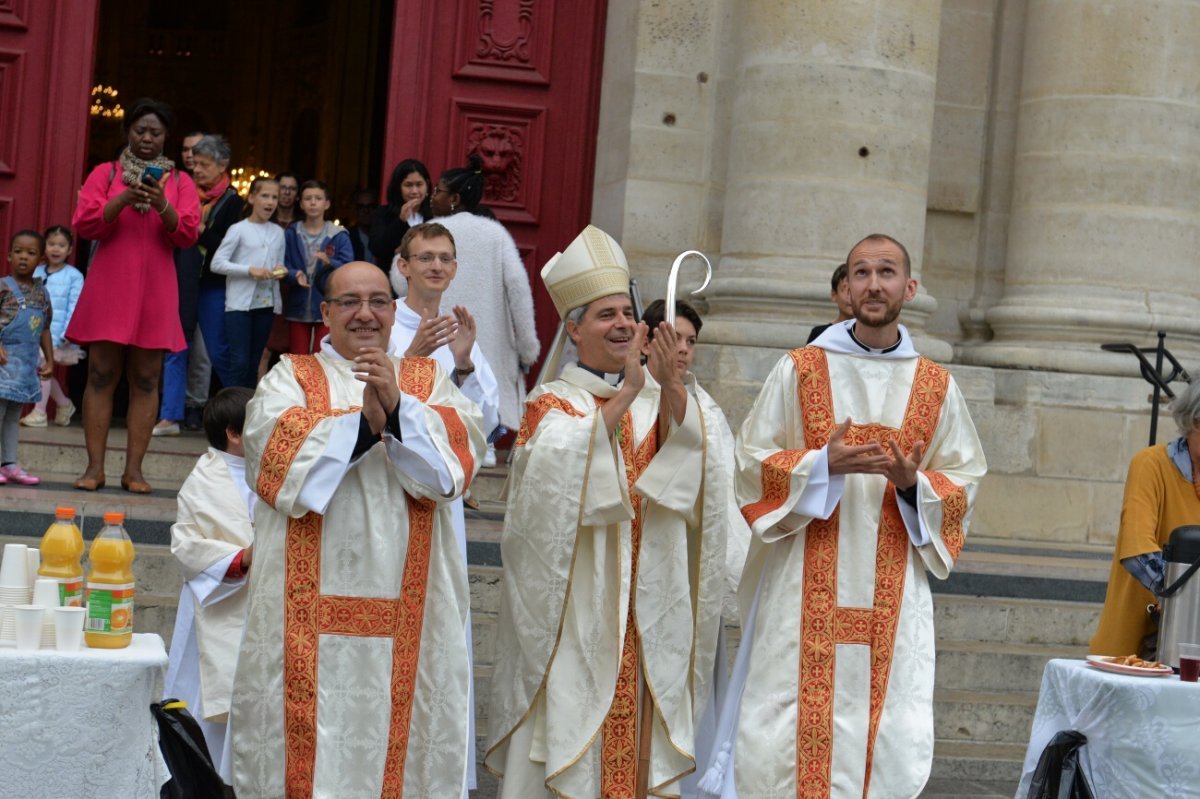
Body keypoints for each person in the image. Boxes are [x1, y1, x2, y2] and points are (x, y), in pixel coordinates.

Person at [703, 233, 986, 799]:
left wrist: (913, 484)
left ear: (910, 287)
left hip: (893, 587)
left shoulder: (936, 385)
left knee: (885, 737)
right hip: (803, 580)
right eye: (861, 273)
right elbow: (750, 462)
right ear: (845, 287)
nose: (873, 284)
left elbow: (965, 478)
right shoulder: (800, 370)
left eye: (886, 273)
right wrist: (818, 465)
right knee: (789, 735)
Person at [485, 226, 727, 798]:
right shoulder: (552, 403)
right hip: (578, 614)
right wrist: (625, 395)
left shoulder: (663, 393)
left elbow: (703, 478)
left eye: (627, 312)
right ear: (573, 330)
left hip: (648, 608)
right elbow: (544, 495)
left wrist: (668, 390)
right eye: (604, 315)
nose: (621, 324)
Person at [230, 261, 485, 798]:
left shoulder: (428, 380)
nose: (365, 314)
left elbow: (452, 470)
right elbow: (275, 463)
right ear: (325, 313)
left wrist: (396, 412)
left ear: (396, 313)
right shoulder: (290, 376)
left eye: (378, 301)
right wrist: (365, 429)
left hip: (411, 608)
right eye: (349, 302)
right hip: (298, 615)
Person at [389, 221, 501, 791]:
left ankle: (434, 772)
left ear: (456, 269)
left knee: (441, 627)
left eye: (445, 259)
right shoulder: (380, 323)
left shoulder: (462, 335)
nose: (436, 266)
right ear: (403, 265)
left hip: (443, 509)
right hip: (384, 501)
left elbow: (484, 421)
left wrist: (459, 364)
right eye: (425, 257)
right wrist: (410, 355)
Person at [638, 298, 752, 799]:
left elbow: (726, 484)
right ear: (647, 340)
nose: (682, 350)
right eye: (673, 338)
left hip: (693, 570)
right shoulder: (628, 396)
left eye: (689, 341)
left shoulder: (705, 405)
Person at [68, 97, 201, 493]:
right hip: (110, 286)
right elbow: (86, 225)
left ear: (166, 138)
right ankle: (94, 469)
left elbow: (188, 234)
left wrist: (162, 204)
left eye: (155, 132)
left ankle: (135, 471)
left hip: (155, 291)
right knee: (101, 373)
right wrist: (123, 198)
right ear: (128, 131)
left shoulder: (180, 183)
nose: (146, 138)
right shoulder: (105, 173)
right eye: (140, 130)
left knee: (146, 378)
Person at [163, 386, 256, 782]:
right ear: (234, 434)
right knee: (209, 710)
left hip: (266, 607)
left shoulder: (275, 473)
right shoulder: (204, 481)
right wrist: (239, 559)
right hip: (218, 608)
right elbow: (186, 544)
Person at [432, 155, 541, 463]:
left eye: (438, 191)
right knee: (485, 387)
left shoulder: (431, 231)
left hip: (442, 330)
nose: (432, 197)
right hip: (490, 333)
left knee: (442, 393)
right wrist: (526, 345)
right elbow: (519, 286)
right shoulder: (495, 233)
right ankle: (487, 445)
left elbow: (401, 281)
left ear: (454, 198)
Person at [1091, 379, 1200, 658]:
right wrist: (1186, 597)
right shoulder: (1150, 465)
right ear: (1194, 423)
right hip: (1134, 648)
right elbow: (1137, 551)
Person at [157, 133, 244, 436]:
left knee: (218, 349)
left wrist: (201, 229)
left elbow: (229, 247)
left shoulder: (234, 201)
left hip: (212, 284)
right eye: (195, 165)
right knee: (176, 345)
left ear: (223, 166)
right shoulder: (182, 191)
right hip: (180, 277)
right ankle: (169, 416)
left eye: (205, 165)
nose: (197, 171)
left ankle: (240, 416)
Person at [210, 177, 285, 388]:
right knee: (240, 361)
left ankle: (246, 414)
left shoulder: (278, 232)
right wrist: (248, 271)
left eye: (274, 197)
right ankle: (231, 414)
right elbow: (217, 264)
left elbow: (278, 264)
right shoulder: (238, 229)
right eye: (264, 196)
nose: (270, 202)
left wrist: (281, 271)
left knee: (254, 363)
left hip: (266, 305)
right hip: (239, 306)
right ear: (252, 198)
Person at [0, 230, 54, 486]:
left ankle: (9, 463)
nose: (24, 257)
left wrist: (50, 360)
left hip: (24, 366)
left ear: (40, 260)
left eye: (31, 253)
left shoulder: (42, 294)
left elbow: (44, 327)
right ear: (9, 255)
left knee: (13, 415)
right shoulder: (2, 286)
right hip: (3, 361)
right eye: (19, 252)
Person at [22, 225, 83, 428]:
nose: (56, 249)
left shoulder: (74, 276)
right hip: (34, 331)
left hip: (57, 334)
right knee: (40, 369)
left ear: (70, 250)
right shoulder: (37, 271)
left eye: (61, 245)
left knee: (42, 368)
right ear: (44, 247)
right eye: (51, 244)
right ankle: (65, 405)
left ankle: (39, 413)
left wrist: (67, 332)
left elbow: (75, 305)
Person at [283, 180, 353, 355]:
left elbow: (349, 268)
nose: (313, 202)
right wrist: (294, 274)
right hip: (297, 305)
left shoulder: (338, 234)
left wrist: (331, 262)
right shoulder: (292, 232)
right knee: (298, 358)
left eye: (318, 198)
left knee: (322, 356)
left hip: (327, 305)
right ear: (300, 203)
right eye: (308, 198)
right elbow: (282, 264)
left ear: (327, 203)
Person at [368, 158, 432, 270]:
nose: (414, 191)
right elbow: (377, 248)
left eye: (419, 184)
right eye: (408, 185)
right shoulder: (383, 213)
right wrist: (400, 221)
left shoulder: (434, 215)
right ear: (398, 187)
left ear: (427, 185)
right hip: (391, 280)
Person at [805, 262, 852, 344]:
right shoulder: (820, 334)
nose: (850, 298)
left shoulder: (872, 337)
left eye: (854, 291)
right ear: (834, 295)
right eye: (844, 290)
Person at [348, 188, 377, 264]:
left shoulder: (384, 236)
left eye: (370, 206)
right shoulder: (347, 237)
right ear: (355, 210)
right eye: (361, 207)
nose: (366, 211)